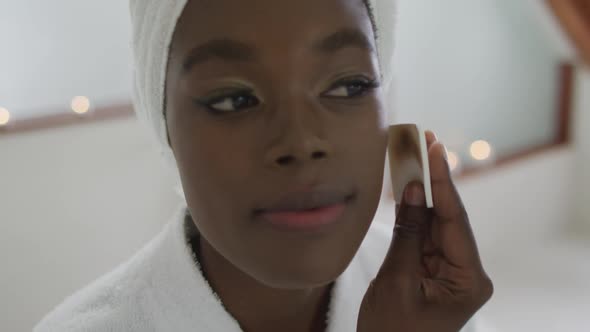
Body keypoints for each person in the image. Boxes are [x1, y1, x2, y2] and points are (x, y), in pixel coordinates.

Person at [35, 0, 493, 331]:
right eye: (235, 99)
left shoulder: (434, 306)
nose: (300, 142)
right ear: (164, 127)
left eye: (349, 85)